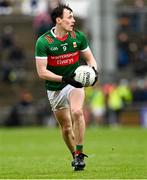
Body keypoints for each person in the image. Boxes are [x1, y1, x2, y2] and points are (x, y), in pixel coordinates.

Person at [35, 4, 98, 171]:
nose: (73, 20)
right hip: (55, 88)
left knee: (77, 112)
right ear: (58, 20)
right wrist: (64, 78)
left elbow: (90, 59)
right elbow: (42, 72)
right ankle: (74, 155)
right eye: (69, 17)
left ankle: (79, 154)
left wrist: (94, 72)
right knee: (66, 127)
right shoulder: (43, 42)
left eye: (73, 16)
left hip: (75, 84)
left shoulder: (78, 37)